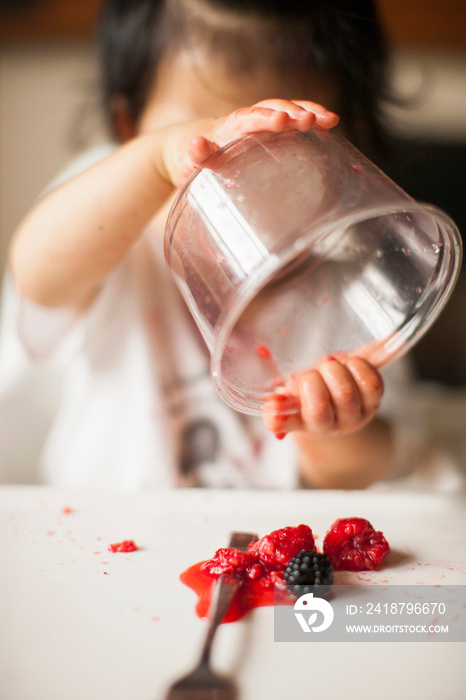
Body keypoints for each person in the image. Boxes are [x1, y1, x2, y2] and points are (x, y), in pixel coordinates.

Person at [0, 0, 419, 490]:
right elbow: (38, 272)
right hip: (101, 532)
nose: (243, 185)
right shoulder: (112, 228)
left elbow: (376, 468)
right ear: (128, 128)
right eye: (211, 146)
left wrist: (333, 433)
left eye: (285, 153)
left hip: (257, 551)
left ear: (351, 149)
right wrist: (156, 162)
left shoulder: (355, 286)